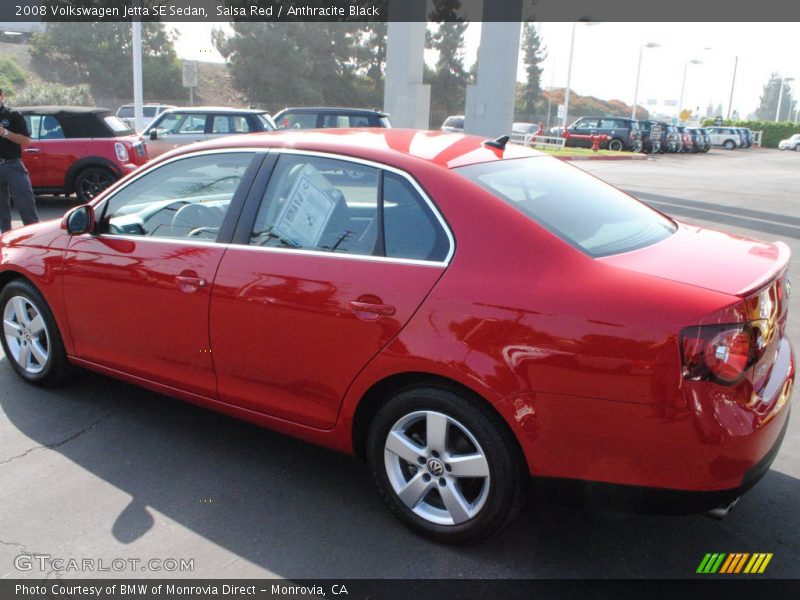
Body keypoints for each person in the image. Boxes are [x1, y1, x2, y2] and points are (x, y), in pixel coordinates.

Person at [0, 88, 39, 233]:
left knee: (25, 203)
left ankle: (34, 237)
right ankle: (5, 241)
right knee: (2, 212)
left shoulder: (13, 115)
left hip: (12, 164)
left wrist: (5, 133)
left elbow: (26, 141)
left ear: (2, 96)